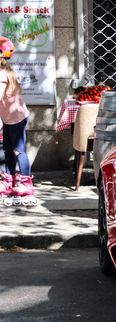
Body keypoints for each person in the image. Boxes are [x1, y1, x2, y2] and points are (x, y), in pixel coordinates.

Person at [0, 38, 34, 205]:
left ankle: (26, 184)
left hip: (16, 118)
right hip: (8, 117)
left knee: (18, 150)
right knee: (7, 149)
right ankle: (10, 180)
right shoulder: (5, 71)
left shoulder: (1, 73)